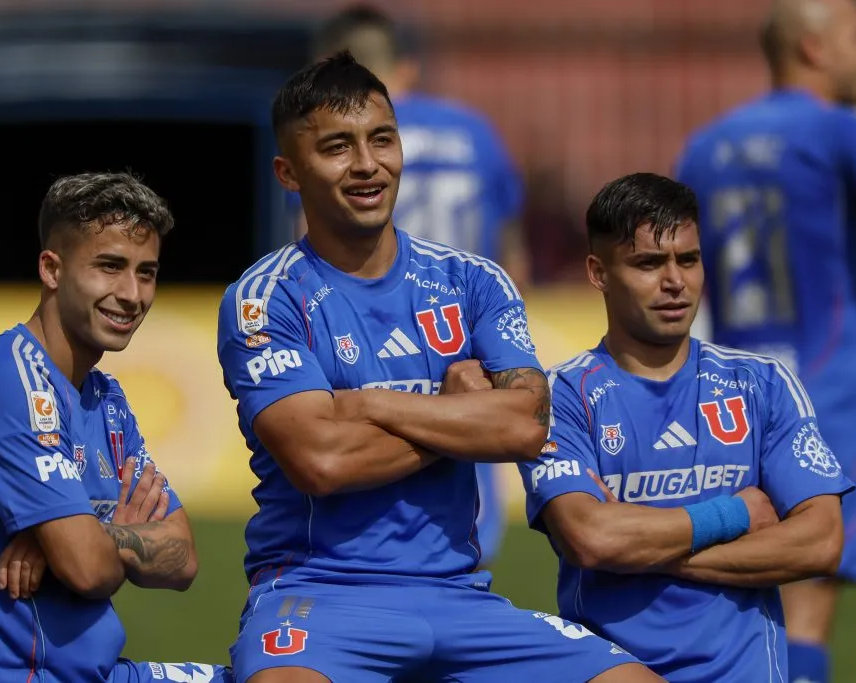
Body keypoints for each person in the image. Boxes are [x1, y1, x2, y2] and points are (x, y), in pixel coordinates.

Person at [216, 52, 661, 683]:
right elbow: (323, 461)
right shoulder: (265, 298)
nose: (367, 164)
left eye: (382, 140)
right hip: (319, 594)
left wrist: (369, 405)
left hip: (461, 598)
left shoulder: (472, 281)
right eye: (338, 147)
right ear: (289, 172)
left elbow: (528, 425)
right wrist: (458, 419)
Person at [675, 1, 856, 680]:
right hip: (827, 395)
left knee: (745, 601)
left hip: (734, 400)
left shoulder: (706, 145)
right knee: (809, 599)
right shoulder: (841, 129)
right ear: (814, 48)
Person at [519, 172, 853, 682]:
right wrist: (735, 512)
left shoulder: (759, 384)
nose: (675, 281)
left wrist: (649, 548)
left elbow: (821, 542)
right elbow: (591, 539)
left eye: (688, 260)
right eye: (648, 263)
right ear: (598, 272)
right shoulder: (561, 398)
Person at [0, 172, 232, 683]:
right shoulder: (7, 381)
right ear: (52, 269)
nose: (132, 294)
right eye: (110, 267)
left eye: (146, 272)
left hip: (96, 671)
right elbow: (91, 572)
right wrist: (98, 546)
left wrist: (90, 535)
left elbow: (183, 559)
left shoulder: (107, 399)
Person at [295, 4, 530, 564]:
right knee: (466, 514)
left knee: (359, 480)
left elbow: (304, 241)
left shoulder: (326, 140)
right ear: (408, 65)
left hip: (363, 321)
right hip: (464, 333)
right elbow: (513, 252)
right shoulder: (473, 130)